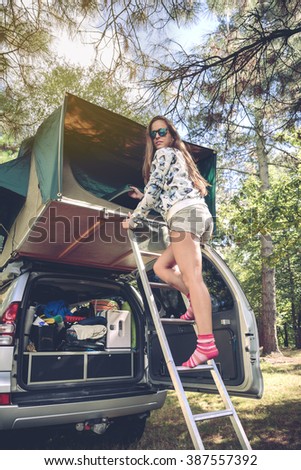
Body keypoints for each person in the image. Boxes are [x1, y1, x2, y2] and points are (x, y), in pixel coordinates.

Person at [122, 116, 218, 368]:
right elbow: (167, 193)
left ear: (172, 134)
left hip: (185, 217)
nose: (157, 137)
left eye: (162, 131)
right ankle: (195, 303)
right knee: (160, 268)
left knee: (193, 278)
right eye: (153, 134)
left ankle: (206, 344)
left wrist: (134, 220)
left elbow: (154, 195)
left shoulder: (164, 154)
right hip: (194, 216)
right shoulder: (178, 156)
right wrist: (142, 196)